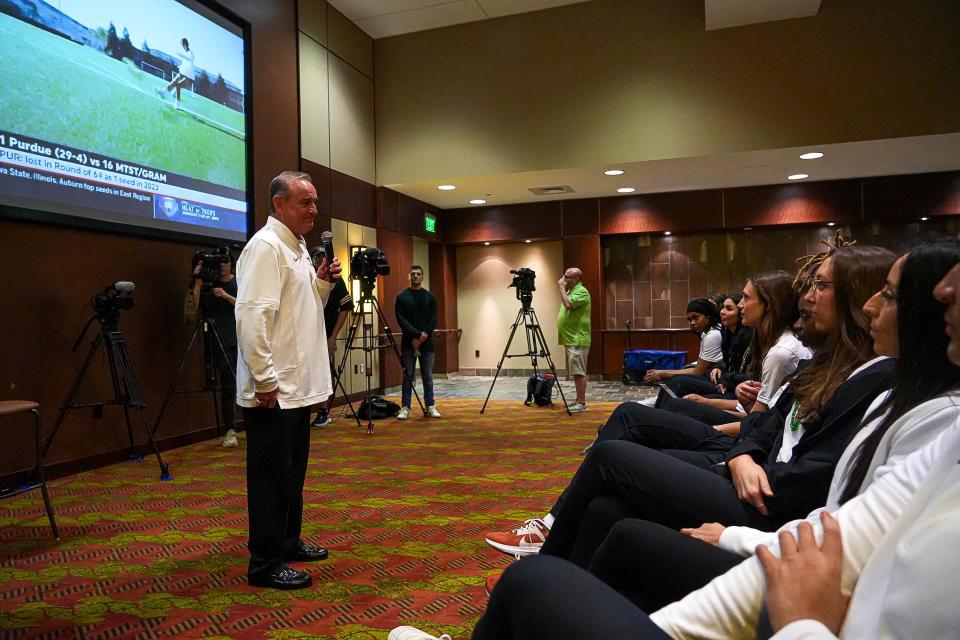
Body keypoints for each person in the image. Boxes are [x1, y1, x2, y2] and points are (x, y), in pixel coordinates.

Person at [483, 244, 895, 566]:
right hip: (748, 468)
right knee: (608, 505)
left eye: (820, 286)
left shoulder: (869, 377)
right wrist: (745, 453)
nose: (806, 296)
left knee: (613, 452)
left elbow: (807, 475)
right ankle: (562, 587)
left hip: (764, 503)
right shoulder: (826, 361)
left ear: (861, 299)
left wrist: (740, 452)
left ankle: (547, 553)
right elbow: (770, 424)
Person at [235, 170, 341, 590]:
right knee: (269, 479)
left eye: (315, 202)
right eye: (305, 202)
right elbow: (252, 317)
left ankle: (287, 541)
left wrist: (321, 282)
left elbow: (301, 309)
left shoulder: (294, 245)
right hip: (273, 392)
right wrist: (264, 380)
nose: (314, 209)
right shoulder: (265, 247)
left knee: (291, 475)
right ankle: (264, 563)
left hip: (295, 390)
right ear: (279, 204)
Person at [191, 250, 239, 446]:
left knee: (231, 384)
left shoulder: (239, 281)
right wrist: (197, 281)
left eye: (225, 262)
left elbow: (248, 305)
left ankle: (232, 429)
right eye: (219, 262)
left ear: (231, 263)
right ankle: (227, 428)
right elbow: (192, 307)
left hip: (233, 339)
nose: (222, 266)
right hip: (212, 336)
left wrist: (226, 296)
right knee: (219, 382)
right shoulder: (208, 281)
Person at [312, 249, 353, 427]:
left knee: (326, 373)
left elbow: (345, 307)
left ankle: (324, 410)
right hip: (306, 335)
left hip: (326, 333)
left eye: (324, 259)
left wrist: (334, 336)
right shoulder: (308, 277)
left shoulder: (337, 280)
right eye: (318, 259)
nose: (321, 262)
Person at [642, 298, 722, 388]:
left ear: (708, 316)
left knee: (677, 381)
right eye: (689, 319)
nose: (692, 323)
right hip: (709, 373)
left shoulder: (713, 335)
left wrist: (662, 373)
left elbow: (698, 372)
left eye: (696, 317)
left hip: (718, 380)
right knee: (684, 370)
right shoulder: (706, 332)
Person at [395, 265, 440, 420]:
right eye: (412, 274)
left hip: (427, 343)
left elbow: (434, 318)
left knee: (427, 376)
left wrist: (423, 335)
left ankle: (430, 406)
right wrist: (415, 335)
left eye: (418, 274)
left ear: (422, 277)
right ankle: (405, 407)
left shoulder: (430, 297)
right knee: (408, 376)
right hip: (408, 343)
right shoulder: (401, 297)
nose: (415, 276)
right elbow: (401, 319)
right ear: (409, 276)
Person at [557, 267, 591, 412]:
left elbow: (569, 305)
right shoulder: (572, 291)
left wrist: (561, 288)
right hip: (571, 338)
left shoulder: (581, 291)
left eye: (568, 277)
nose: (564, 280)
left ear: (577, 279)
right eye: (564, 276)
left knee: (579, 372)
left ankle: (582, 404)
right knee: (576, 371)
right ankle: (578, 400)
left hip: (577, 338)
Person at [156, 38, 195, 110]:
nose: (183, 46)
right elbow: (186, 65)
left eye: (183, 44)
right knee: (173, 83)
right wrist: (180, 66)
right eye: (182, 45)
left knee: (178, 85)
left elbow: (190, 58)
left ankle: (177, 104)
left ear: (186, 44)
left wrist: (180, 54)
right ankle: (163, 93)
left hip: (189, 79)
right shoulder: (186, 53)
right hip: (182, 74)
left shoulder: (190, 53)